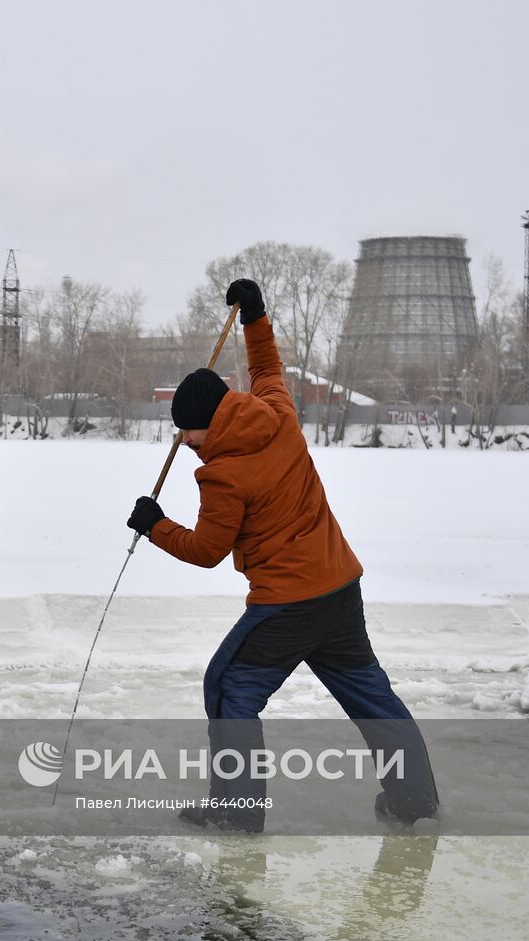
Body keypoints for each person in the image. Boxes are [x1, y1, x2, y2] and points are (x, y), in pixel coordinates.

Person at [127, 278, 437, 831]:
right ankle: (414, 803)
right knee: (370, 696)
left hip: (287, 604)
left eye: (188, 432)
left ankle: (236, 814)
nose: (186, 442)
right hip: (340, 588)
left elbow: (205, 551)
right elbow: (268, 369)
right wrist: (255, 315)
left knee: (228, 687)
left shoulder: (222, 474)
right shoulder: (277, 414)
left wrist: (154, 525)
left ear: (208, 422)